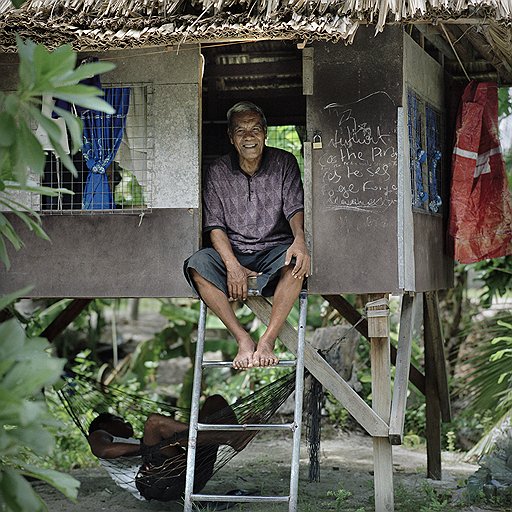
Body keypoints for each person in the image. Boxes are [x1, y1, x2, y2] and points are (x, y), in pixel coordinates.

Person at [184, 101, 311, 370]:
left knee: (295, 263)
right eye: (241, 131)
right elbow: (215, 226)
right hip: (234, 250)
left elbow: (295, 209)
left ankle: (267, 340)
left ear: (265, 133)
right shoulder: (218, 171)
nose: (249, 136)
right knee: (198, 265)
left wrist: (300, 240)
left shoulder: (284, 163)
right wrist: (232, 266)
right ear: (231, 138)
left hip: (274, 249)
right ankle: (242, 339)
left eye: (255, 129)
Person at [87, 395, 252, 501]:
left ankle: (229, 435)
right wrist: (157, 445)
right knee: (154, 423)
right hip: (155, 482)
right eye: (119, 420)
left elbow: (158, 449)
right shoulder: (98, 434)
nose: (127, 423)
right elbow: (104, 451)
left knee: (214, 402)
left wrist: (167, 442)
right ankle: (231, 437)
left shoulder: (136, 442)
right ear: (105, 424)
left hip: (189, 474)